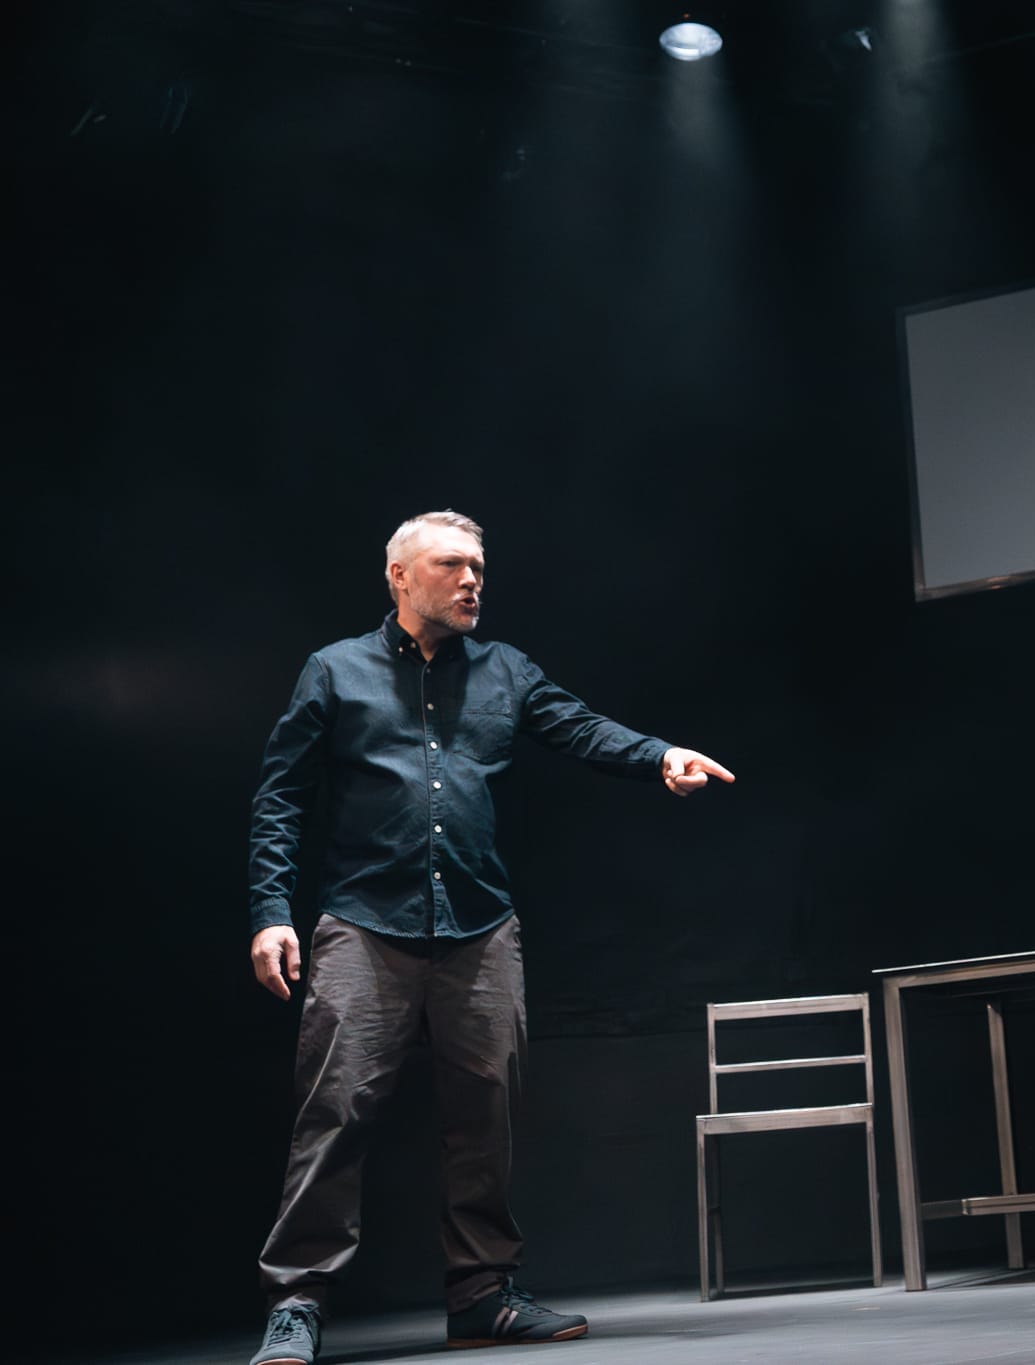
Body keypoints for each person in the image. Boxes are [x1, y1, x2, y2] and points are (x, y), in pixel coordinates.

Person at [245, 510, 734, 1365]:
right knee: (335, 1114)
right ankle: (298, 1299)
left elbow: (578, 725)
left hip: (479, 923)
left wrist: (656, 755)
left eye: (479, 566)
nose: (473, 580)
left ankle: (481, 1294)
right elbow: (280, 797)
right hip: (364, 923)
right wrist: (271, 912)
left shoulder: (506, 670)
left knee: (487, 1117)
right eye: (452, 565)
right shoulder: (334, 671)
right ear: (400, 576)